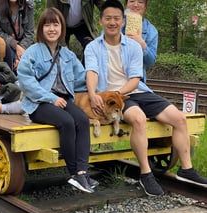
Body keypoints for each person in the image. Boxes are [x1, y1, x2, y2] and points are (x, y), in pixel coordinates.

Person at [84, 0, 207, 196]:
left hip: (136, 91)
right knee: (139, 119)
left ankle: (186, 169)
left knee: (179, 119)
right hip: (111, 98)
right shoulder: (92, 47)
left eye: (116, 18)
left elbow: (135, 79)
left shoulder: (133, 46)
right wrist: (92, 94)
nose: (112, 22)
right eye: (108, 18)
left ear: (123, 21)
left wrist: (120, 94)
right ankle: (145, 173)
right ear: (100, 21)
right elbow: (91, 72)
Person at [17, 7, 99, 193]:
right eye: (47, 25)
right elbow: (26, 81)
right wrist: (50, 98)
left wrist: (98, 91)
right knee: (67, 122)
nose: (52, 29)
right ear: (41, 29)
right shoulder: (32, 52)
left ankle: (82, 171)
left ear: (62, 28)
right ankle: (74, 173)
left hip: (62, 101)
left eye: (56, 24)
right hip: (39, 103)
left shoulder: (68, 55)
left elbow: (82, 79)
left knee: (82, 120)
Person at [0, 0, 34, 71]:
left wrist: (20, 52)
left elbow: (29, 32)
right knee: (9, 59)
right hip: (5, 43)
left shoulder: (28, 5)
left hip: (25, 45)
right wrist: (16, 46)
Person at [122, 0, 157, 83]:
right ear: (126, 4)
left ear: (145, 6)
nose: (135, 5)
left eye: (140, 2)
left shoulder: (151, 31)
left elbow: (150, 62)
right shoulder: (114, 23)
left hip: (136, 81)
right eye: (132, 1)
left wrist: (143, 45)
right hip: (112, 77)